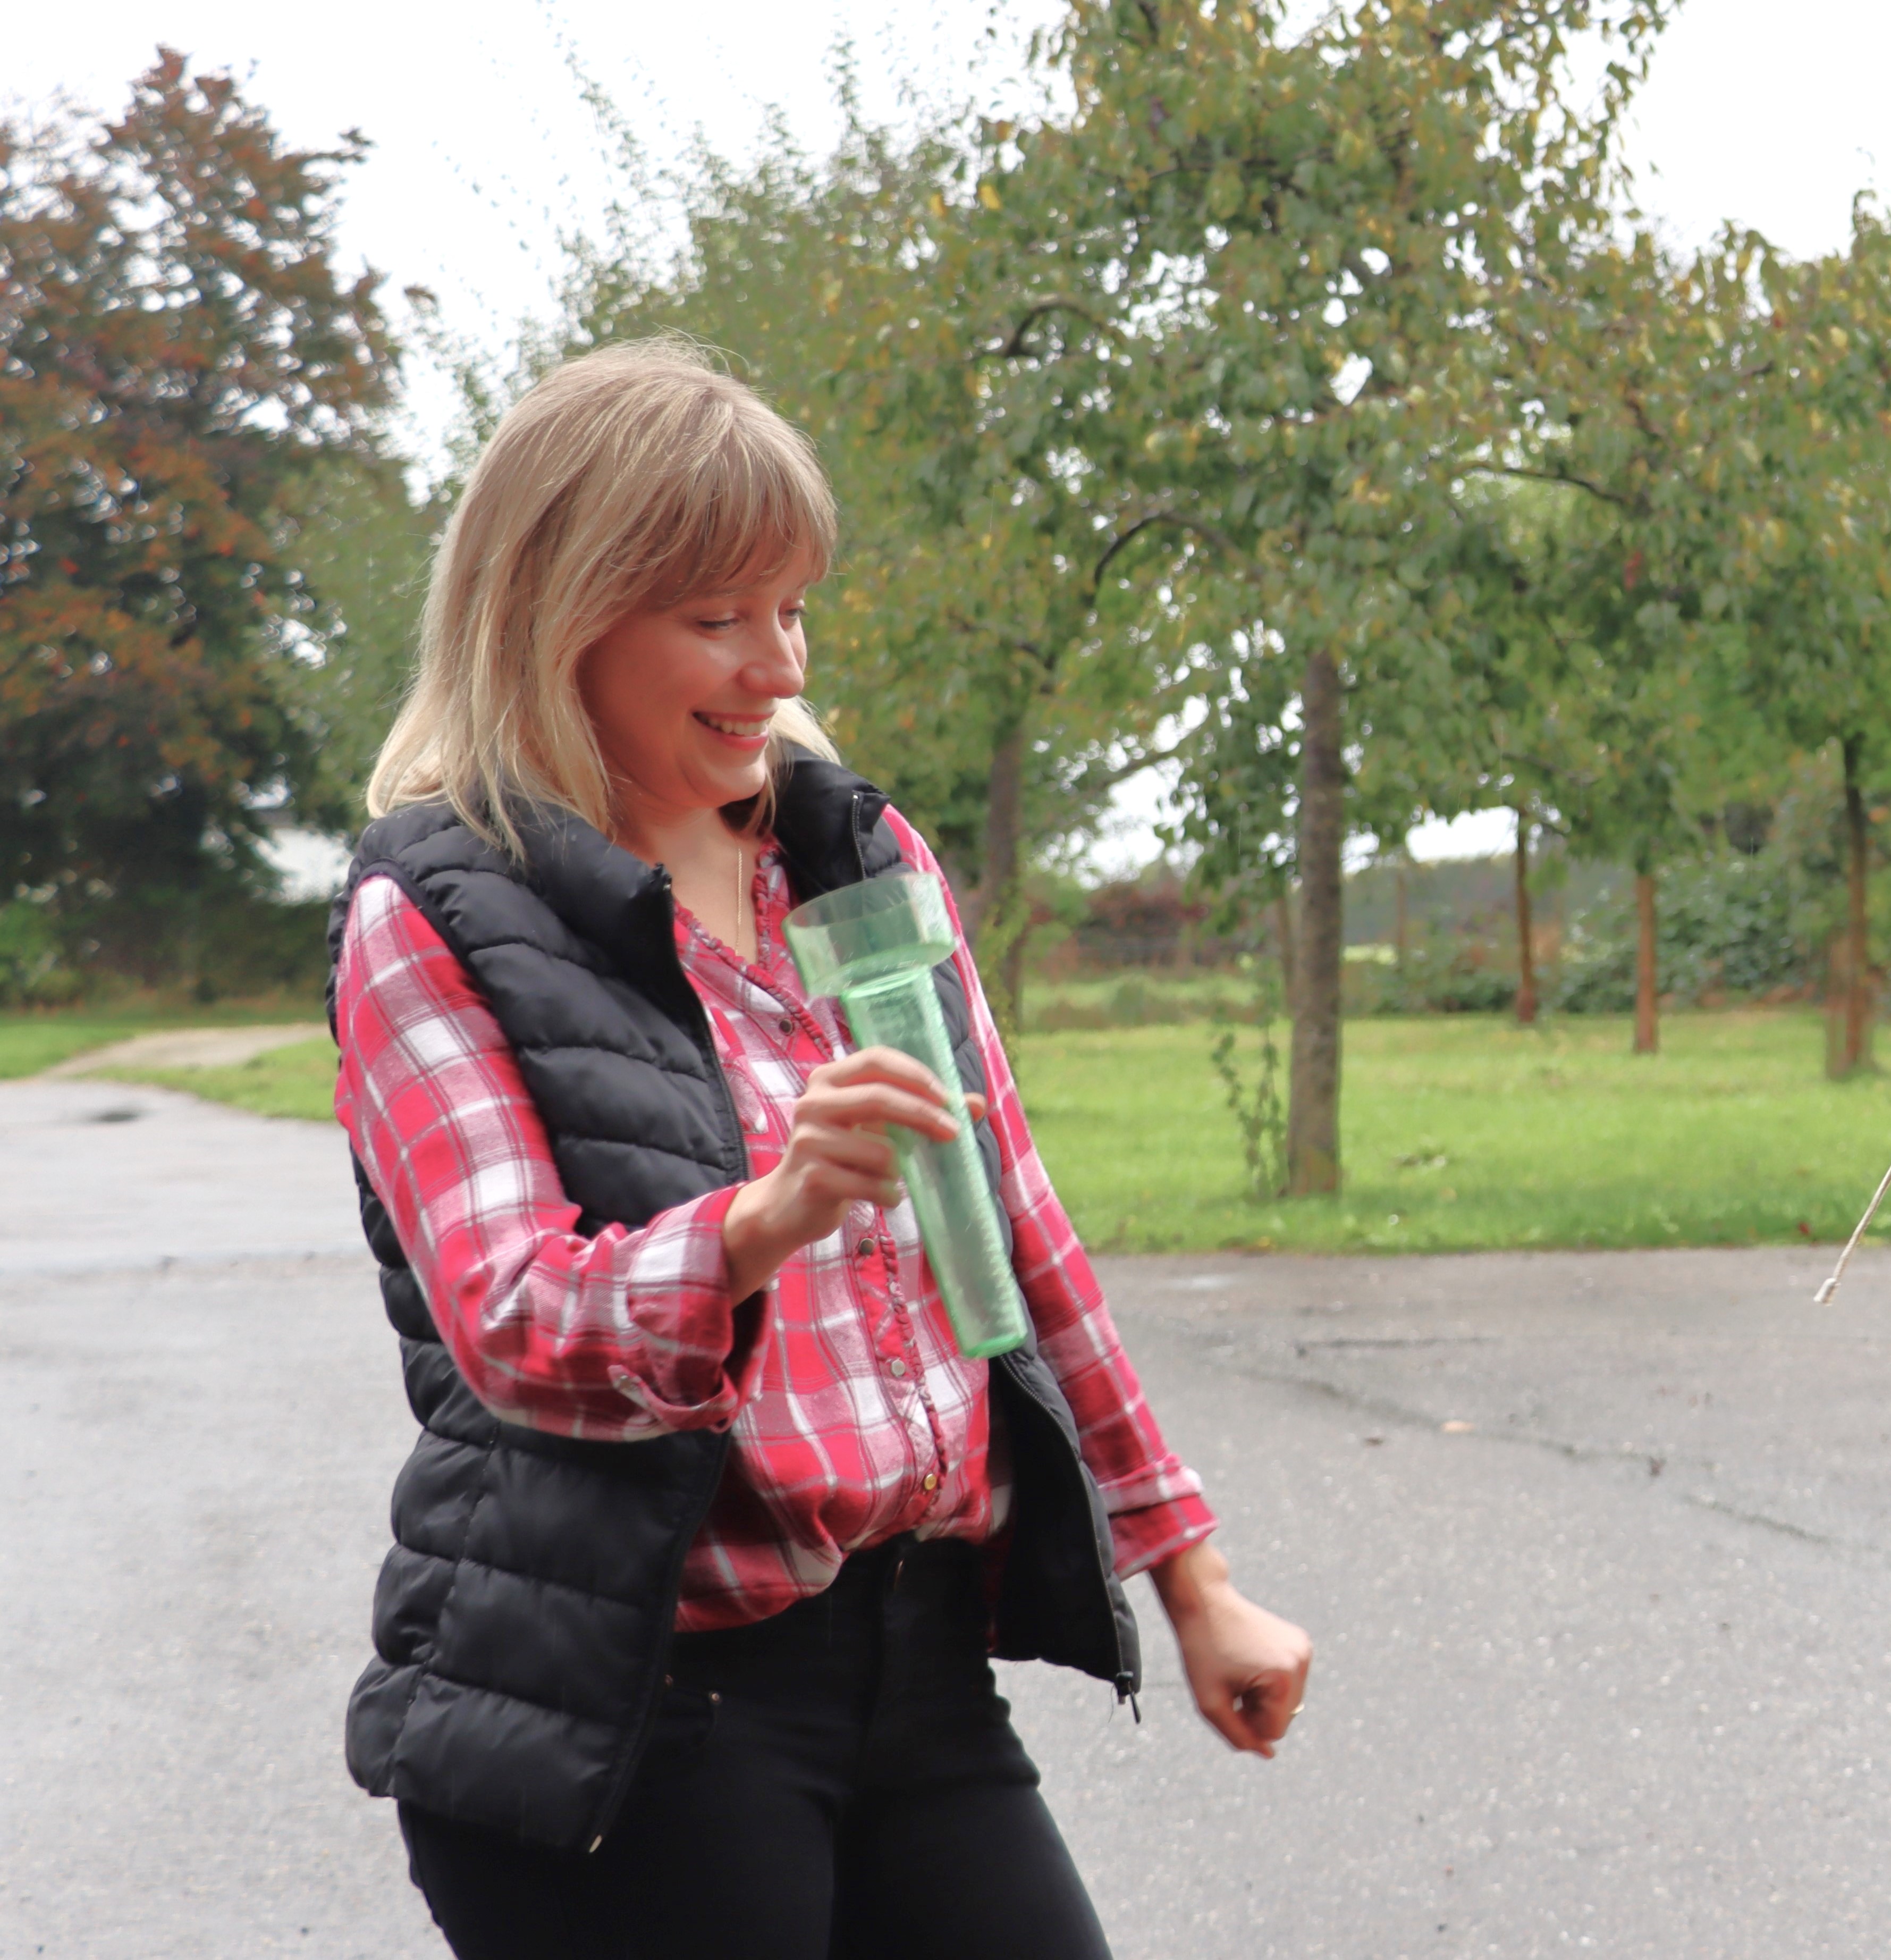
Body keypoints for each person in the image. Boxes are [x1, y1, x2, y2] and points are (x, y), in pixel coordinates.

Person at [327, 338, 1312, 1959]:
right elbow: (509, 1325)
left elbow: (1016, 1227)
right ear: (556, 614)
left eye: (793, 606)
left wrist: (1189, 1579)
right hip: (637, 1718)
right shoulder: (437, 911)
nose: (777, 665)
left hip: (917, 1670)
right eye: (717, 617)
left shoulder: (850, 857)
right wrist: (760, 1221)